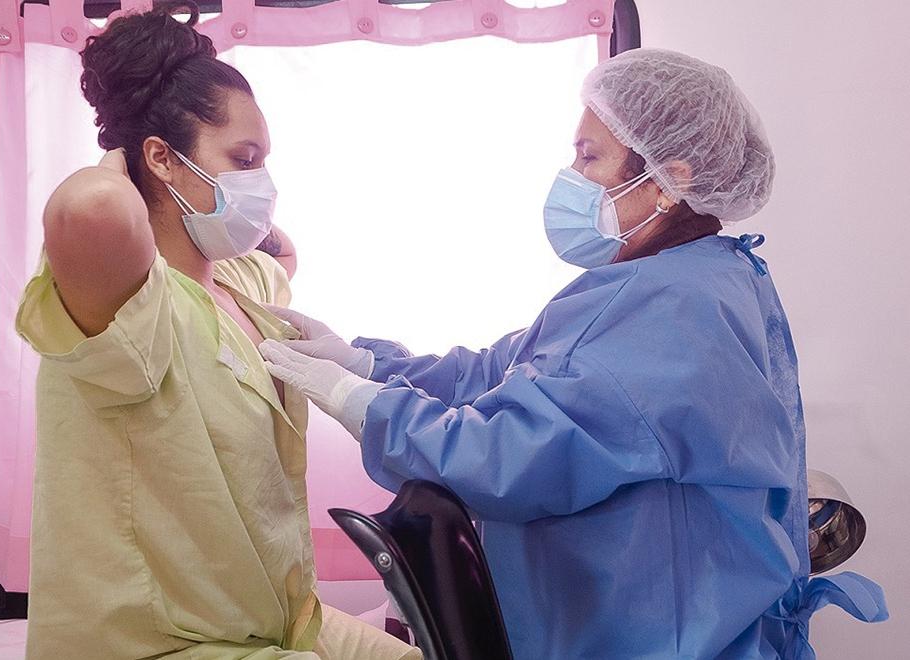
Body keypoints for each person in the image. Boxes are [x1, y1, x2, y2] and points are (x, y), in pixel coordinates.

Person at [259, 48, 888, 658]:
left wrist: (363, 404)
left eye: (590, 157)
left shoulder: (672, 310)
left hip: (656, 640)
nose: (573, 177)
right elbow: (503, 372)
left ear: (670, 179)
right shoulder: (672, 278)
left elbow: (508, 458)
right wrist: (367, 364)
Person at [15, 3, 421, 659]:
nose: (262, 183)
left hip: (273, 622)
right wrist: (121, 157)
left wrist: (230, 212)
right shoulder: (130, 305)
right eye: (243, 158)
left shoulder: (237, 285)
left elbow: (282, 253)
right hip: (159, 643)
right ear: (162, 158)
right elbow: (90, 207)